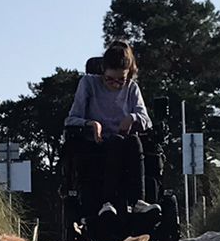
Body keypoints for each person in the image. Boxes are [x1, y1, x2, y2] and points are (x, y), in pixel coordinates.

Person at [64, 42, 155, 217]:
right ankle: (108, 201)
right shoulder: (88, 83)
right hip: (98, 144)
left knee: (132, 141)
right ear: (102, 72)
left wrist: (132, 117)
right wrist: (91, 124)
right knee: (116, 142)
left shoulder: (131, 88)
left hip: (128, 145)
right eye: (110, 79)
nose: (115, 84)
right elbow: (71, 119)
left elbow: (146, 120)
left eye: (121, 79)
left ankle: (138, 201)